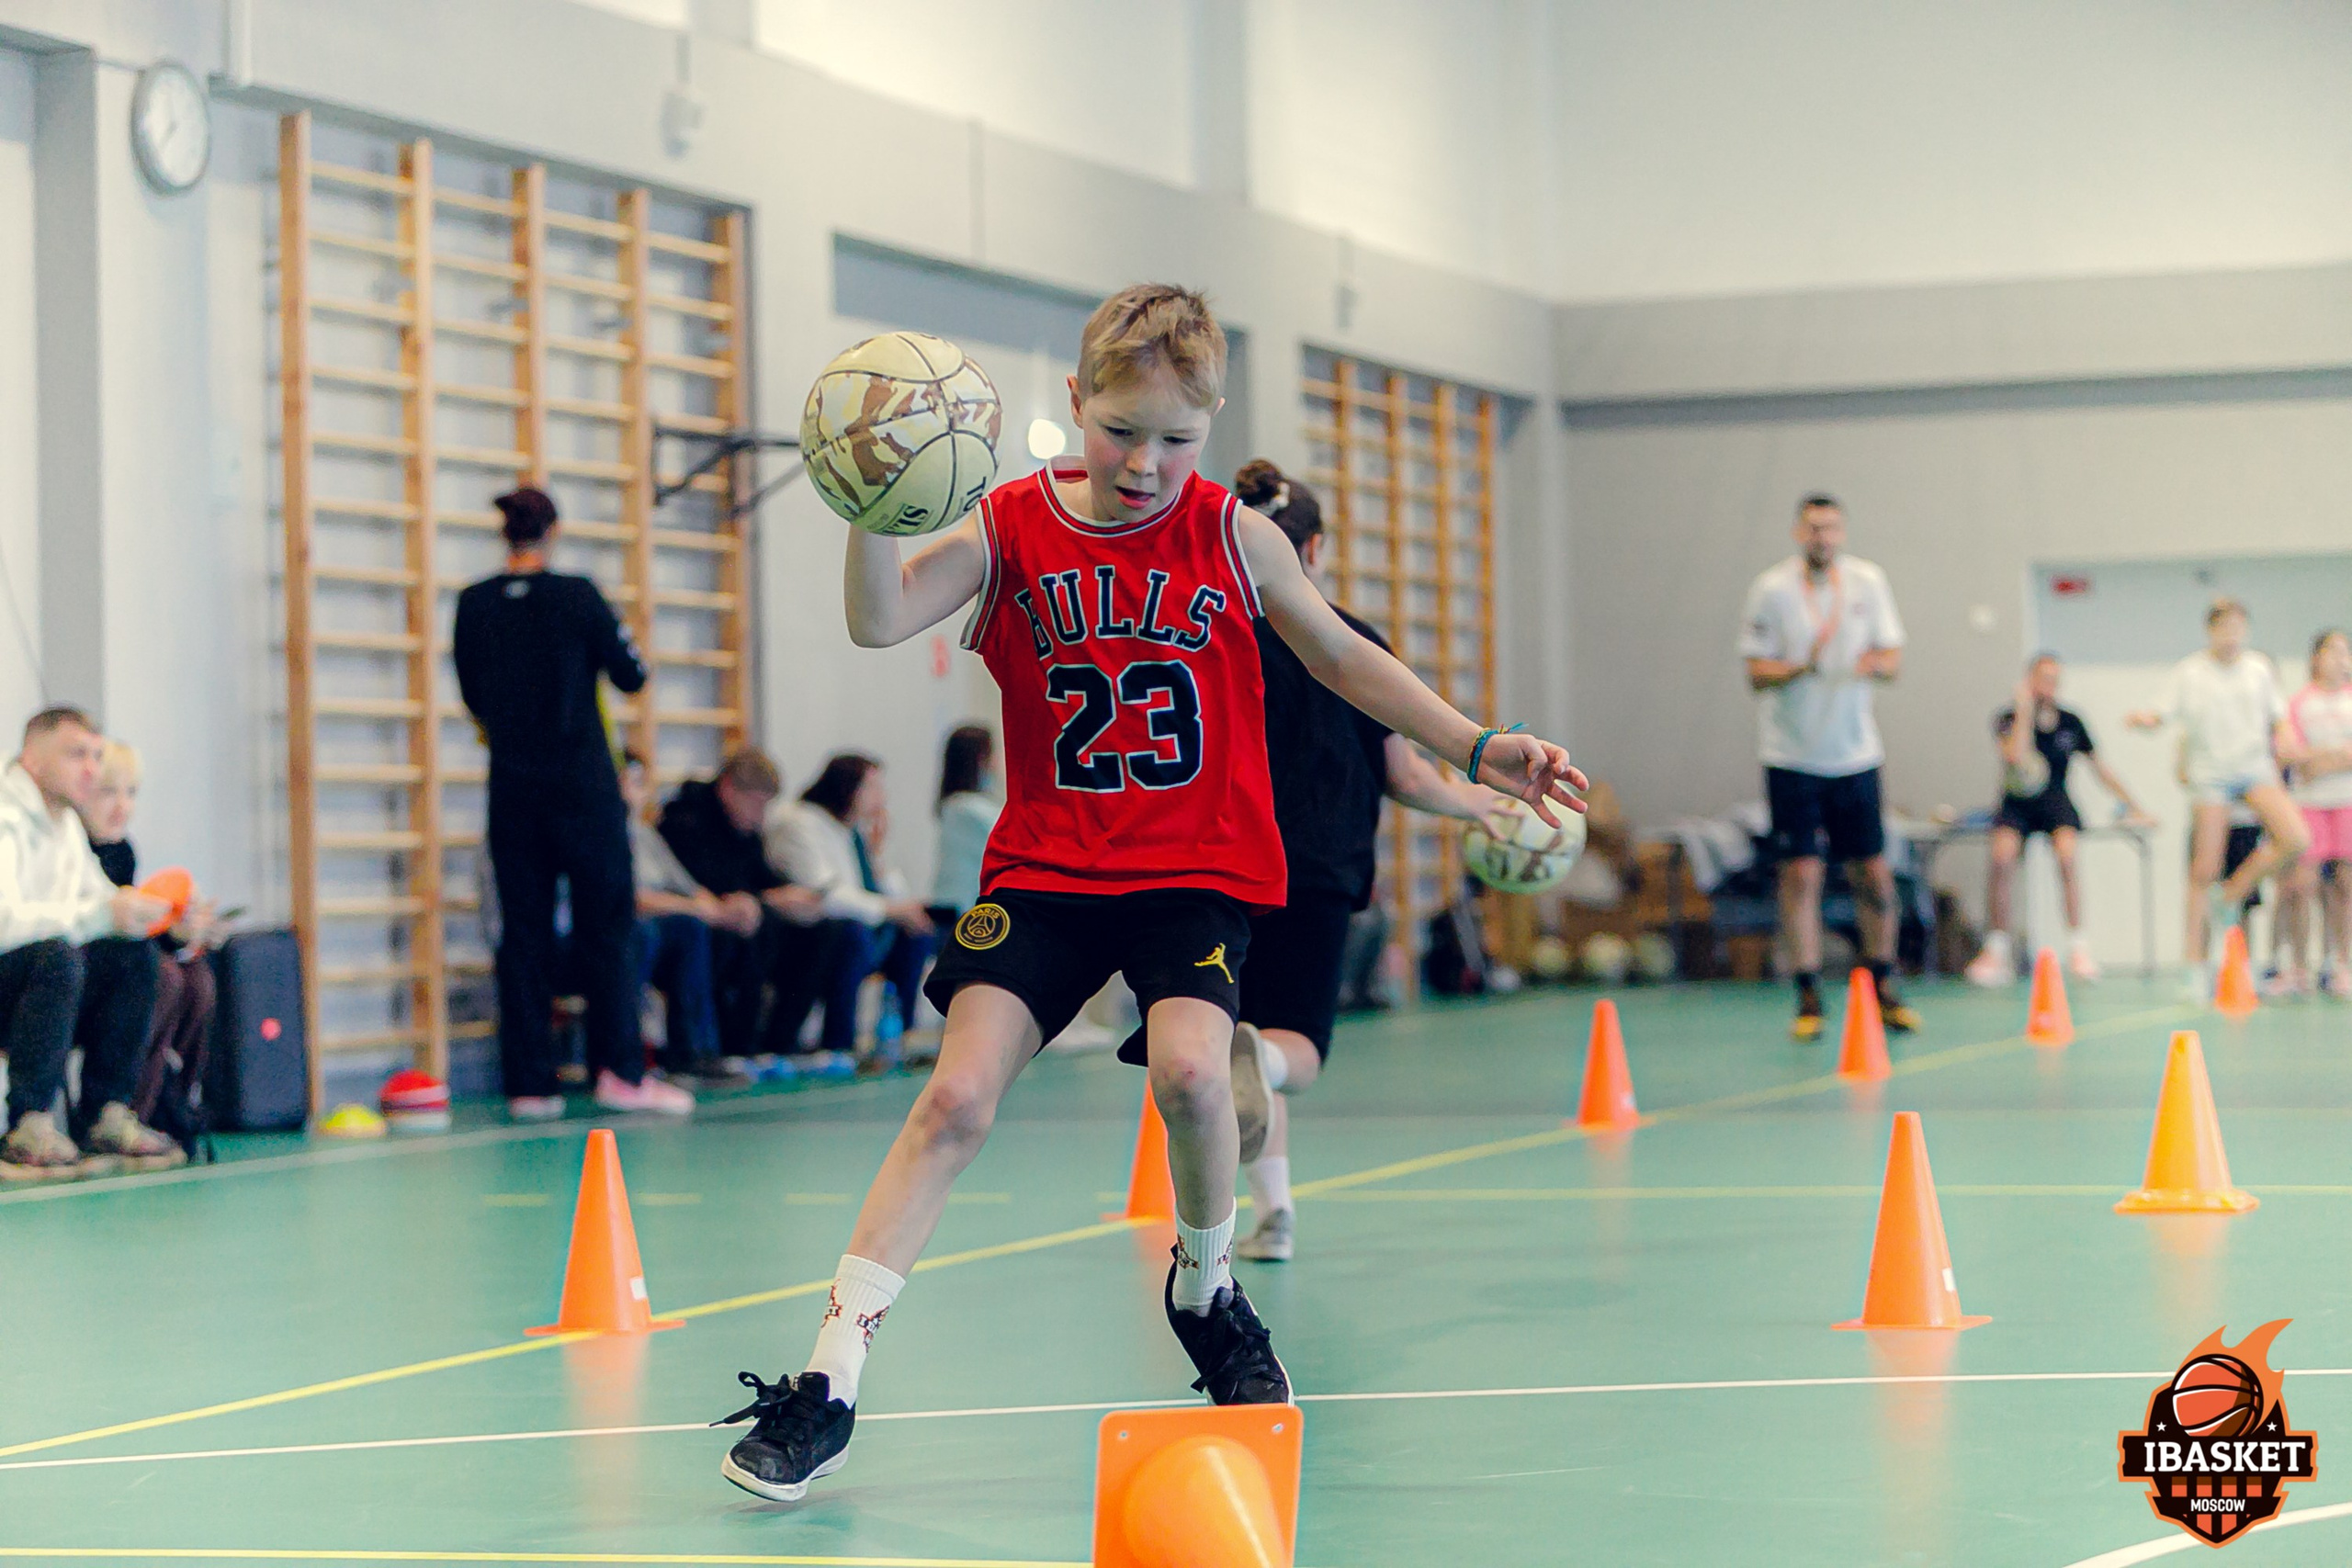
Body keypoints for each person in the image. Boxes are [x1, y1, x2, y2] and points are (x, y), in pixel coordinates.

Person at [712, 283, 1582, 1503]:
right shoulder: (1011, 524)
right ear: (1076, 406)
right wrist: (871, 507)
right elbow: (878, 617)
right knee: (956, 1094)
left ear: (1208, 426)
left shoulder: (1234, 534)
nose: (1146, 461)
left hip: (1194, 866)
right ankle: (829, 1381)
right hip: (1050, 867)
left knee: (1191, 1070)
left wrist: (1478, 743)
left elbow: (1341, 654)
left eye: (1177, 438)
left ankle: (1207, 1286)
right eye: (1122, 430)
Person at [1221, 458, 1512, 1265]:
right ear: (1312, 548)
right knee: (1292, 1049)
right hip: (1322, 867)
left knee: (1233, 1039)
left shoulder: (1214, 638)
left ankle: (1270, 1213)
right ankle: (1269, 1071)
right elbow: (1405, 773)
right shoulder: (1347, 640)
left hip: (1225, 866)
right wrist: (1477, 801)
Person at [452, 486, 669, 1122]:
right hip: (583, 788)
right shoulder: (578, 595)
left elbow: (472, 693)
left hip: (512, 789)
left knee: (522, 934)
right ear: (554, 532)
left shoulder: (473, 604)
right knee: (608, 927)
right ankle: (620, 1072)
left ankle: (531, 1085)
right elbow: (633, 672)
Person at [1737, 494, 1919, 1042]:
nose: (1824, 537)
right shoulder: (1771, 590)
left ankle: (1882, 982)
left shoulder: (1867, 582)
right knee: (1802, 873)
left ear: (1842, 532)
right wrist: (1802, 667)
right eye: (1814, 528)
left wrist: (1872, 664)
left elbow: (1892, 659)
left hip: (1856, 754)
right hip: (1792, 756)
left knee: (1872, 870)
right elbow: (1755, 672)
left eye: (1832, 528)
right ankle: (1809, 992)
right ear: (1799, 532)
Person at [0, 708, 178, 1179]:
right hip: (16, 981)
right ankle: (27, 1123)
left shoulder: (65, 825)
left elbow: (106, 904)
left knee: (132, 956)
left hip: (36, 988)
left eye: (97, 756)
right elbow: (5, 923)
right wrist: (102, 914)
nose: (92, 770)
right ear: (33, 760)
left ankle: (106, 1113)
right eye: (76, 754)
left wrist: (173, 921)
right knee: (55, 956)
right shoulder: (6, 815)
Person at [2126, 598, 2308, 998]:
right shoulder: (2191, 672)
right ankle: (2194, 968)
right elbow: (2161, 713)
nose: (2232, 635)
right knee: (2203, 869)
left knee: (2296, 837)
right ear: (2210, 630)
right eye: (2224, 627)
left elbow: (2278, 718)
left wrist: (2287, 738)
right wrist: (2144, 719)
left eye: (2238, 627)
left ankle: (2230, 895)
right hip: (2211, 777)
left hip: (2253, 770)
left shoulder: (2258, 668)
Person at [1963, 654, 2151, 987]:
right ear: (2029, 680)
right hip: (2017, 803)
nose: (2048, 685)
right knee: (2001, 860)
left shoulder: (2071, 721)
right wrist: (2023, 709)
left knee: (2066, 858)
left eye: (2054, 679)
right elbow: (2015, 757)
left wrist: (2134, 804)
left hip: (2056, 802)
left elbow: (2100, 768)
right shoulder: (2007, 718)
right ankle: (1997, 949)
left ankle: (2078, 948)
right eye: (2042, 678)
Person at [79, 739, 224, 1134]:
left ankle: (173, 1101)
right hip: (77, 982)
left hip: (117, 971)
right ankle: (112, 1113)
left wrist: (177, 933)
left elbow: (130, 938)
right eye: (108, 792)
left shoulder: (123, 852)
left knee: (198, 979)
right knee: (165, 979)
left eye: (131, 793)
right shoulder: (70, 850)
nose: (122, 806)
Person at [659, 748, 838, 1063]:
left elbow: (758, 881)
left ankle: (781, 1040)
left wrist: (790, 898)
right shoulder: (684, 821)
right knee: (747, 929)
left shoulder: (748, 832)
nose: (761, 813)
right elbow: (696, 883)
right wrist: (761, 901)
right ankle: (733, 1045)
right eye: (756, 802)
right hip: (704, 921)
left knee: (820, 933)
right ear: (728, 789)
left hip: (742, 917)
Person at [766, 755, 938, 1063]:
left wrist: (878, 853)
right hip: (809, 932)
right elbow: (828, 894)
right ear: (848, 788)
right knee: (852, 935)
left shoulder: (853, 832)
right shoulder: (801, 823)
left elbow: (889, 893)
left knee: (916, 934)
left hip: (857, 925)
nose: (881, 798)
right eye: (872, 788)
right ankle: (838, 1042)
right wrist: (891, 909)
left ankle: (902, 1034)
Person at [613, 752, 714, 1111]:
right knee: (645, 935)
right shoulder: (596, 836)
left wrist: (719, 908)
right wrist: (694, 907)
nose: (635, 791)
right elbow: (631, 900)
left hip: (655, 929)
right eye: (628, 781)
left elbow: (686, 886)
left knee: (692, 930)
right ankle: (630, 1055)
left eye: (640, 783)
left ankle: (689, 1052)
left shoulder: (646, 836)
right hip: (606, 940)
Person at [2273, 629, 2352, 998]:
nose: (2339, 657)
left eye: (2344, 651)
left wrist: (2322, 758)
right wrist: (2336, 755)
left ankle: (2341, 964)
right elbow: (2290, 754)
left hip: (2346, 802)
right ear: (2316, 657)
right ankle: (2299, 968)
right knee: (2301, 886)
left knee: (2343, 888)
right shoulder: (2299, 703)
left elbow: (2318, 758)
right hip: (2308, 804)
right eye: (2332, 650)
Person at [927, 726, 1001, 927]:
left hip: (958, 908)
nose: (997, 763)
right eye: (992, 755)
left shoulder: (955, 806)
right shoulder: (967, 810)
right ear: (979, 760)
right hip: (962, 912)